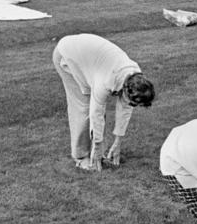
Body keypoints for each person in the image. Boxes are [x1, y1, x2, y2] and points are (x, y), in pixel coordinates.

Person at [52, 33, 156, 171]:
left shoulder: (135, 75)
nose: (131, 106)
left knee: (94, 110)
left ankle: (100, 153)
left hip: (90, 57)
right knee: (83, 106)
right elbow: (96, 114)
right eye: (132, 103)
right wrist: (97, 144)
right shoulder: (106, 80)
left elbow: (125, 109)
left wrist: (118, 143)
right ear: (125, 91)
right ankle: (82, 157)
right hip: (67, 54)